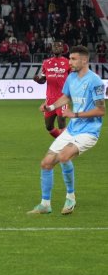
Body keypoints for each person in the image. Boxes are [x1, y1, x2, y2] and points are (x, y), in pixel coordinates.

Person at [28, 46, 105, 215]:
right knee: (46, 163)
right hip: (72, 129)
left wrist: (74, 114)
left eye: (73, 59)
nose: (69, 62)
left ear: (84, 60)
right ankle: (45, 204)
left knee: (63, 156)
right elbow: (66, 97)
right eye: (69, 59)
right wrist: (50, 106)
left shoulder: (95, 81)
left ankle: (71, 197)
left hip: (89, 132)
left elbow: (101, 110)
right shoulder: (71, 77)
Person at [33, 41, 71, 138]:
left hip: (62, 98)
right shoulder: (46, 63)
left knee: (61, 121)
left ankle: (64, 145)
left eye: (59, 46)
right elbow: (43, 80)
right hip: (50, 99)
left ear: (62, 49)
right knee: (49, 126)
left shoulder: (68, 63)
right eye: (54, 46)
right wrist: (38, 80)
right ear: (52, 49)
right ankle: (62, 141)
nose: (56, 47)